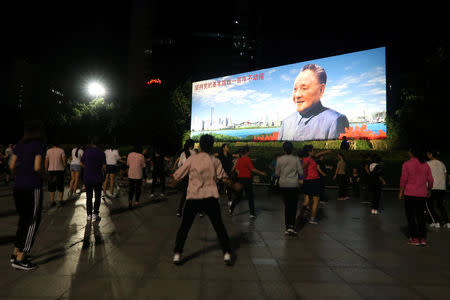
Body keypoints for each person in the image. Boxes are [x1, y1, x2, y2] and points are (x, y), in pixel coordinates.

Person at [171, 134, 232, 265]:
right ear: (211, 145)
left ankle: (177, 253)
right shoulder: (215, 161)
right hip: (210, 197)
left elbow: (178, 176)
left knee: (185, 227)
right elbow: (224, 178)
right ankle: (226, 253)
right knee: (219, 226)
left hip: (193, 197)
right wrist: (235, 185)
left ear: (200, 145)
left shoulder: (192, 160)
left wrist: (172, 183)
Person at [278, 64, 349, 141]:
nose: (297, 95)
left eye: (304, 88)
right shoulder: (286, 122)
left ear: (321, 90)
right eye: (295, 89)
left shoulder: (335, 120)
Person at [9, 120, 45, 270]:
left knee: (23, 219)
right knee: (32, 221)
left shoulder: (19, 144)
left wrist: (19, 175)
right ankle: (21, 258)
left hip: (18, 186)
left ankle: (15, 252)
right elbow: (37, 167)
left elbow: (11, 165)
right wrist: (46, 177)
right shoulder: (39, 145)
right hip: (32, 186)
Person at [399, 146, 433, 246]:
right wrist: (429, 190)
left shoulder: (406, 164)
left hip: (409, 193)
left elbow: (403, 179)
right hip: (421, 194)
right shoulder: (425, 164)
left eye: (409, 151)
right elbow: (430, 179)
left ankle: (414, 238)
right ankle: (422, 238)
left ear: (412, 153)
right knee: (420, 216)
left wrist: (401, 191)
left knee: (410, 216)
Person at [229, 146, 266, 219]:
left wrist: (240, 174)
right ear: (247, 152)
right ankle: (252, 214)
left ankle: (231, 209)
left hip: (240, 179)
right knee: (250, 197)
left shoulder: (239, 159)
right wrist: (262, 173)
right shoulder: (247, 159)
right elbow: (252, 169)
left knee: (238, 196)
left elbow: (236, 169)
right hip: (247, 180)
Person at [276, 141, 303, 235]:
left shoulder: (279, 159)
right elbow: (301, 173)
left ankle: (287, 227)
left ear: (283, 149)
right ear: (292, 149)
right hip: (293, 185)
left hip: (283, 185)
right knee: (293, 206)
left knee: (287, 206)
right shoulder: (296, 159)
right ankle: (291, 226)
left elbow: (277, 173)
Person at [298, 145, 330, 224]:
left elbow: (316, 155)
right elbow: (302, 168)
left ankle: (301, 216)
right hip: (312, 181)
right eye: (313, 150)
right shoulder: (308, 159)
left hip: (311, 181)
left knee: (307, 201)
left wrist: (326, 151)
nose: (314, 152)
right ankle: (311, 218)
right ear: (309, 152)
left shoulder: (310, 158)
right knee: (315, 200)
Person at [80, 139, 106, 221]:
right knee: (98, 196)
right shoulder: (102, 153)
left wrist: (87, 168)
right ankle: (95, 213)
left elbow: (81, 163)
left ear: (91, 144)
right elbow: (104, 166)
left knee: (89, 196)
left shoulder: (86, 152)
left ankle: (89, 215)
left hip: (87, 177)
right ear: (99, 144)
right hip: (98, 177)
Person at [426, 150, 448, 229]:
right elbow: (445, 175)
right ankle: (447, 222)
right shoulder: (442, 164)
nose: (427, 154)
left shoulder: (427, 164)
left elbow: (426, 176)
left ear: (431, 154)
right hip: (442, 188)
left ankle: (436, 221)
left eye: (428, 153)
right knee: (440, 205)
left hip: (432, 187)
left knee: (429, 205)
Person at [176, 139, 196, 217]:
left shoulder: (182, 154)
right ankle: (200, 211)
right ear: (192, 146)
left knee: (184, 194)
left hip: (185, 176)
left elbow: (179, 165)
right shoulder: (194, 153)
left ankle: (179, 210)